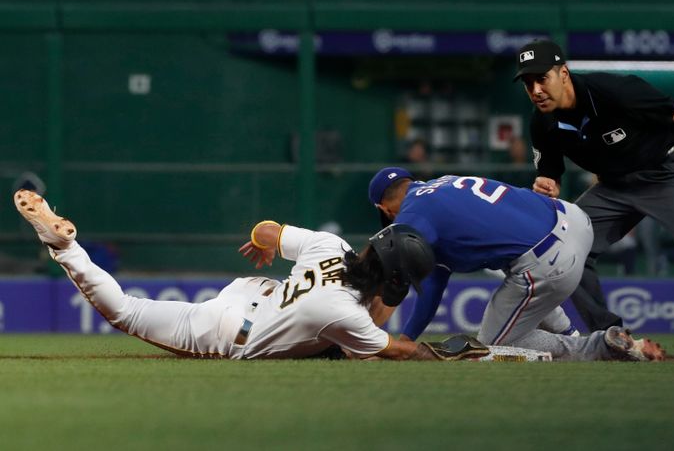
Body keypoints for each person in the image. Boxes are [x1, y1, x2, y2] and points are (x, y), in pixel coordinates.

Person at [513, 38, 674, 361]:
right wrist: (547, 182)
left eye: (542, 78)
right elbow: (550, 174)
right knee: (564, 246)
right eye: (528, 83)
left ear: (563, 73)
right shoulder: (542, 123)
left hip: (667, 170)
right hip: (616, 187)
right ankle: (612, 338)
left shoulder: (613, 91)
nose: (536, 89)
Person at [14, 188, 485, 362]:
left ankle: (64, 245)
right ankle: (65, 246)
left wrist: (263, 241)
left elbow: (265, 229)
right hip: (230, 332)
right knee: (125, 312)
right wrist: (440, 353)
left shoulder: (331, 245)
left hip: (252, 293)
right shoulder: (342, 310)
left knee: (129, 308)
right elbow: (388, 347)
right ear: (396, 279)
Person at [367, 168, 665, 361]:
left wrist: (396, 343)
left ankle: (598, 347)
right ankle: (569, 335)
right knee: (525, 291)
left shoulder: (412, 212)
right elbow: (434, 284)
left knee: (487, 348)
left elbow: (411, 280)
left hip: (548, 259)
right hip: (574, 219)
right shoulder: (443, 184)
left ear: (384, 207)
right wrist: (406, 341)